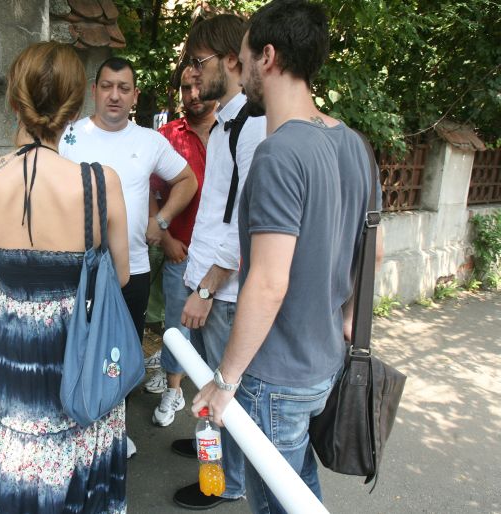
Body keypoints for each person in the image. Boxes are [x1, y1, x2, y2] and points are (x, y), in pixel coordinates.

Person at [192, 2, 383, 513]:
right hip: (325, 365)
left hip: (276, 378)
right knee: (299, 493)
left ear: (268, 56)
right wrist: (345, 320)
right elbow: (375, 251)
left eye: (246, 54)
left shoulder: (279, 153)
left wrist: (224, 380)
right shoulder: (354, 145)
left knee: (280, 503)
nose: (241, 66)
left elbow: (269, 282)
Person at [0, 42, 130, 514]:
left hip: (15, 346)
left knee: (19, 456)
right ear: (74, 109)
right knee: (80, 453)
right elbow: (124, 275)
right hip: (81, 347)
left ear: (13, 102)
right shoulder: (101, 182)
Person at [59, 56, 197, 458]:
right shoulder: (69, 136)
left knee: (120, 352)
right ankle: (77, 425)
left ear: (135, 95)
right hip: (76, 267)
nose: (114, 95)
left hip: (130, 269)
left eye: (123, 88)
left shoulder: (150, 142)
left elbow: (186, 179)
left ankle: (114, 428)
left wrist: (164, 219)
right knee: (77, 347)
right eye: (107, 86)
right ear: (93, 90)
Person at [170, 14, 267, 511]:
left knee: (228, 387)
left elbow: (248, 220)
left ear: (231, 60)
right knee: (212, 380)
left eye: (198, 60)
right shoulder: (230, 120)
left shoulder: (252, 125)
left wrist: (207, 288)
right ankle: (213, 445)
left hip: (223, 292)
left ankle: (229, 480)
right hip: (210, 283)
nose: (192, 71)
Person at [147, 66, 217, 426]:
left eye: (198, 86)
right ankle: (174, 388)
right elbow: (152, 191)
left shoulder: (235, 132)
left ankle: (217, 391)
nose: (192, 95)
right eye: (186, 88)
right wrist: (167, 237)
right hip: (182, 252)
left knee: (219, 329)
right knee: (178, 324)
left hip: (226, 257)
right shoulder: (168, 136)